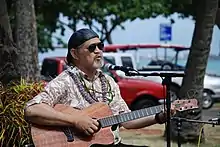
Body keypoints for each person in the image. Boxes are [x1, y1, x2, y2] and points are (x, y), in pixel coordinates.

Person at [24, 28, 171, 147]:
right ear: (74, 53)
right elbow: (32, 110)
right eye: (91, 47)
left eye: (100, 46)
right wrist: (75, 121)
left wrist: (158, 117)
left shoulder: (108, 82)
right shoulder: (65, 81)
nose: (98, 51)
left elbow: (126, 120)